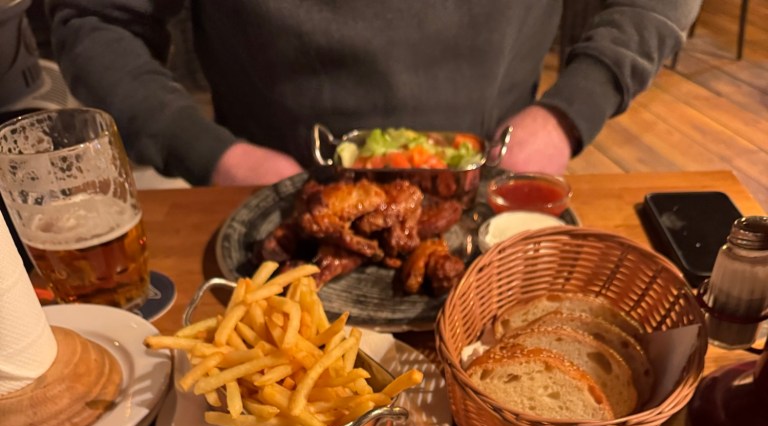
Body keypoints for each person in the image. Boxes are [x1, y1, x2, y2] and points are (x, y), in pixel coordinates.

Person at [45, 1, 701, 188]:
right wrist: (206, 152)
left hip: (493, 189)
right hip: (266, 198)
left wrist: (570, 111)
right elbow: (95, 19)